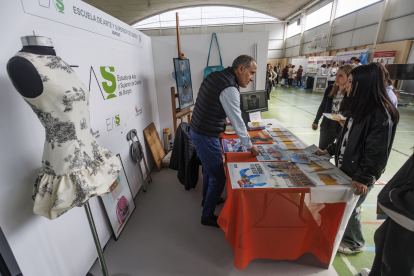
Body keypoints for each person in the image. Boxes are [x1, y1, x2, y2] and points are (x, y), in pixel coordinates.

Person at [323, 63, 399, 254]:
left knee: (353, 207)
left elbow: (377, 152)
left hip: (359, 172)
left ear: (364, 84)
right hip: (346, 166)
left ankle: (355, 242)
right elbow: (346, 137)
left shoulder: (380, 113)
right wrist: (331, 150)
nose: (346, 86)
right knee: (345, 204)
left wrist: (364, 177)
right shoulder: (358, 106)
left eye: (350, 82)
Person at [190, 55, 263, 228]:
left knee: (208, 171)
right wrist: (250, 146)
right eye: (251, 73)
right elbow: (237, 121)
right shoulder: (230, 88)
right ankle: (207, 215)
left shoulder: (216, 76)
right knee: (218, 177)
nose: (251, 78)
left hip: (199, 130)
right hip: (205, 135)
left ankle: (206, 200)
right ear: (240, 69)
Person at [361, 153, 414, 276]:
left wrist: (397, 195)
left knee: (397, 264)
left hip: (409, 216)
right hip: (401, 211)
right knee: (381, 238)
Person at [312, 65, 354, 150]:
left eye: (340, 75)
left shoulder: (351, 92)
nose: (336, 78)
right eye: (336, 75)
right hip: (328, 125)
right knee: (323, 151)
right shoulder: (330, 89)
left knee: (340, 152)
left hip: (343, 127)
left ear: (349, 77)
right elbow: (323, 105)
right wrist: (316, 120)